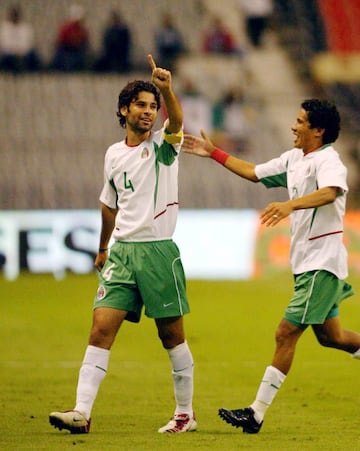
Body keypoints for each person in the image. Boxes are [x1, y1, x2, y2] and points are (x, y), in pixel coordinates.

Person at [182, 98, 360, 433]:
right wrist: (215, 153)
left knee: (285, 332)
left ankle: (255, 413)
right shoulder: (294, 159)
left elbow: (331, 192)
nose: (294, 126)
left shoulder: (328, 160)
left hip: (322, 263)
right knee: (332, 337)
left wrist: (290, 205)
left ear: (318, 130)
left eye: (301, 121)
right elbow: (253, 172)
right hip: (308, 263)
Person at [49, 54, 196, 434]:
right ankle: (82, 412)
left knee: (171, 336)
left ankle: (185, 414)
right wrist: (102, 247)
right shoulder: (113, 154)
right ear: (124, 109)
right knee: (100, 328)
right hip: (122, 254)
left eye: (153, 106)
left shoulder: (165, 145)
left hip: (157, 250)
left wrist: (167, 89)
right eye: (142, 105)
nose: (149, 112)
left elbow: (177, 122)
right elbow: (108, 204)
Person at [0, 5, 42, 73]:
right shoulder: (4, 27)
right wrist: (14, 51)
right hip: (9, 54)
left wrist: (21, 52)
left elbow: (29, 43)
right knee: (7, 58)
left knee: (34, 54)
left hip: (23, 54)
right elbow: (3, 44)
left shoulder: (26, 27)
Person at [50, 4, 90, 72]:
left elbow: (84, 43)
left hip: (78, 51)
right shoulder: (66, 28)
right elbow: (60, 42)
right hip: (66, 51)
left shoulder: (82, 30)